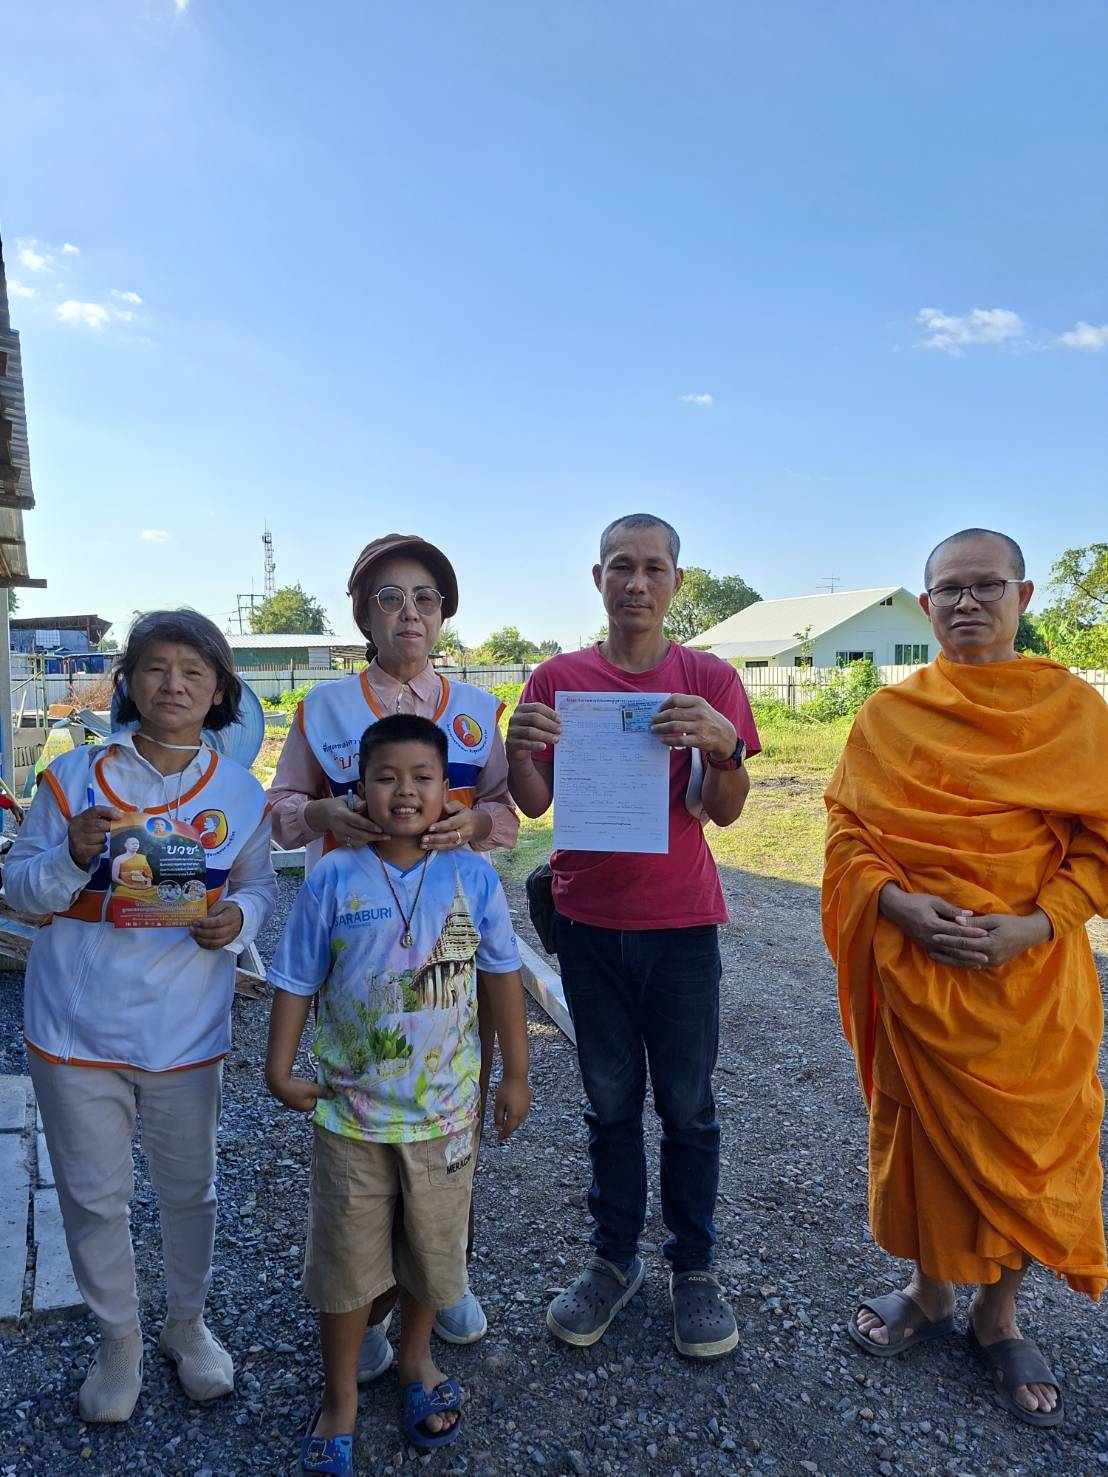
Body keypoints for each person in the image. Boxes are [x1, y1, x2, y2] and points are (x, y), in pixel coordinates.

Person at [822, 528, 1108, 1428]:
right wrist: (896, 906)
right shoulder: (889, 717)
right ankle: (932, 1290)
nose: (968, 603)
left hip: (1029, 984)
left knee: (1027, 1146)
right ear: (926, 602)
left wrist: (1037, 922)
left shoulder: (1072, 714)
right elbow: (844, 836)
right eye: (949, 589)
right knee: (923, 1142)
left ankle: (1000, 1313)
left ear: (1023, 597)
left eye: (987, 586)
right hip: (919, 978)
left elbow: (1099, 845)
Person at [4, 610, 276, 1424]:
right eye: (156, 667)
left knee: (191, 1192)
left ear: (221, 691)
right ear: (128, 681)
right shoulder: (73, 777)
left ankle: (186, 1325)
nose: (174, 684)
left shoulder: (239, 792)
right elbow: (17, 889)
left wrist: (241, 923)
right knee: (94, 1197)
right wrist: (70, 856)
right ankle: (117, 1339)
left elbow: (260, 887)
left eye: (195, 671)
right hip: (73, 1031)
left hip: (186, 1030)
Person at [506, 513, 760, 1358]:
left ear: (677, 582)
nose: (637, 583)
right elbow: (535, 804)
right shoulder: (558, 678)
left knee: (688, 1105)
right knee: (610, 1102)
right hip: (586, 926)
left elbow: (723, 810)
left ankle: (696, 1269)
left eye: (654, 568)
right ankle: (612, 1260)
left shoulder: (710, 680)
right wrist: (519, 746)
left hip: (682, 925)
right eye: (622, 566)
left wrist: (726, 751)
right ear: (598, 578)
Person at [269, 532, 519, 1362]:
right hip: (360, 954)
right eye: (389, 597)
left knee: (453, 1112)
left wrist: (477, 822)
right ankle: (368, 1301)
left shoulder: (481, 711)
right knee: (361, 1126)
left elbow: (509, 817)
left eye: (425, 597)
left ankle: (442, 1275)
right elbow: (284, 803)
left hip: (449, 948)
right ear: (362, 614)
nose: (408, 612)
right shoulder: (327, 708)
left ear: (445, 611)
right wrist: (323, 817)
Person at [265, 715, 530, 1472]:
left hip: (447, 1115)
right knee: (347, 1266)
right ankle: (341, 1394)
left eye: (422, 778)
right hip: (351, 1114)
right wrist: (279, 1069)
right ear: (359, 789)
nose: (404, 792)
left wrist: (517, 1071)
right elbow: (293, 978)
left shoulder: (473, 875)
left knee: (431, 1254)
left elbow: (501, 975)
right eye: (386, 778)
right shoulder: (332, 876)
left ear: (448, 792)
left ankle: (416, 1359)